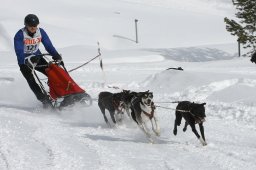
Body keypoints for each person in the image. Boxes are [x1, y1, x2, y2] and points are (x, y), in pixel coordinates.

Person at [14, 14, 62, 108]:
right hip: (24, 61)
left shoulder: (41, 32)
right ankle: (44, 100)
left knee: (53, 73)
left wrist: (55, 55)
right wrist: (23, 62)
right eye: (31, 26)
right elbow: (19, 51)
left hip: (38, 58)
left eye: (35, 26)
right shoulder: (20, 34)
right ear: (26, 26)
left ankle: (59, 93)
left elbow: (48, 46)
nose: (33, 28)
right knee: (31, 80)